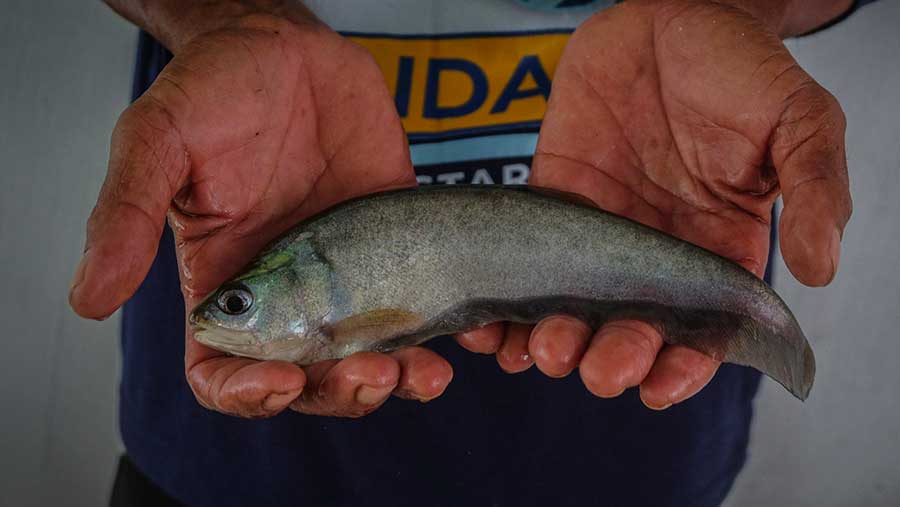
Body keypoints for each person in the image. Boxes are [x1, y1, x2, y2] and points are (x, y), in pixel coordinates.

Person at [70, 0, 869, 505]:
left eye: (242, 301)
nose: (233, 313)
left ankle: (736, 313)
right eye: (241, 304)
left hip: (618, 457)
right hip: (233, 469)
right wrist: (223, 17)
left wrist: (728, 8)